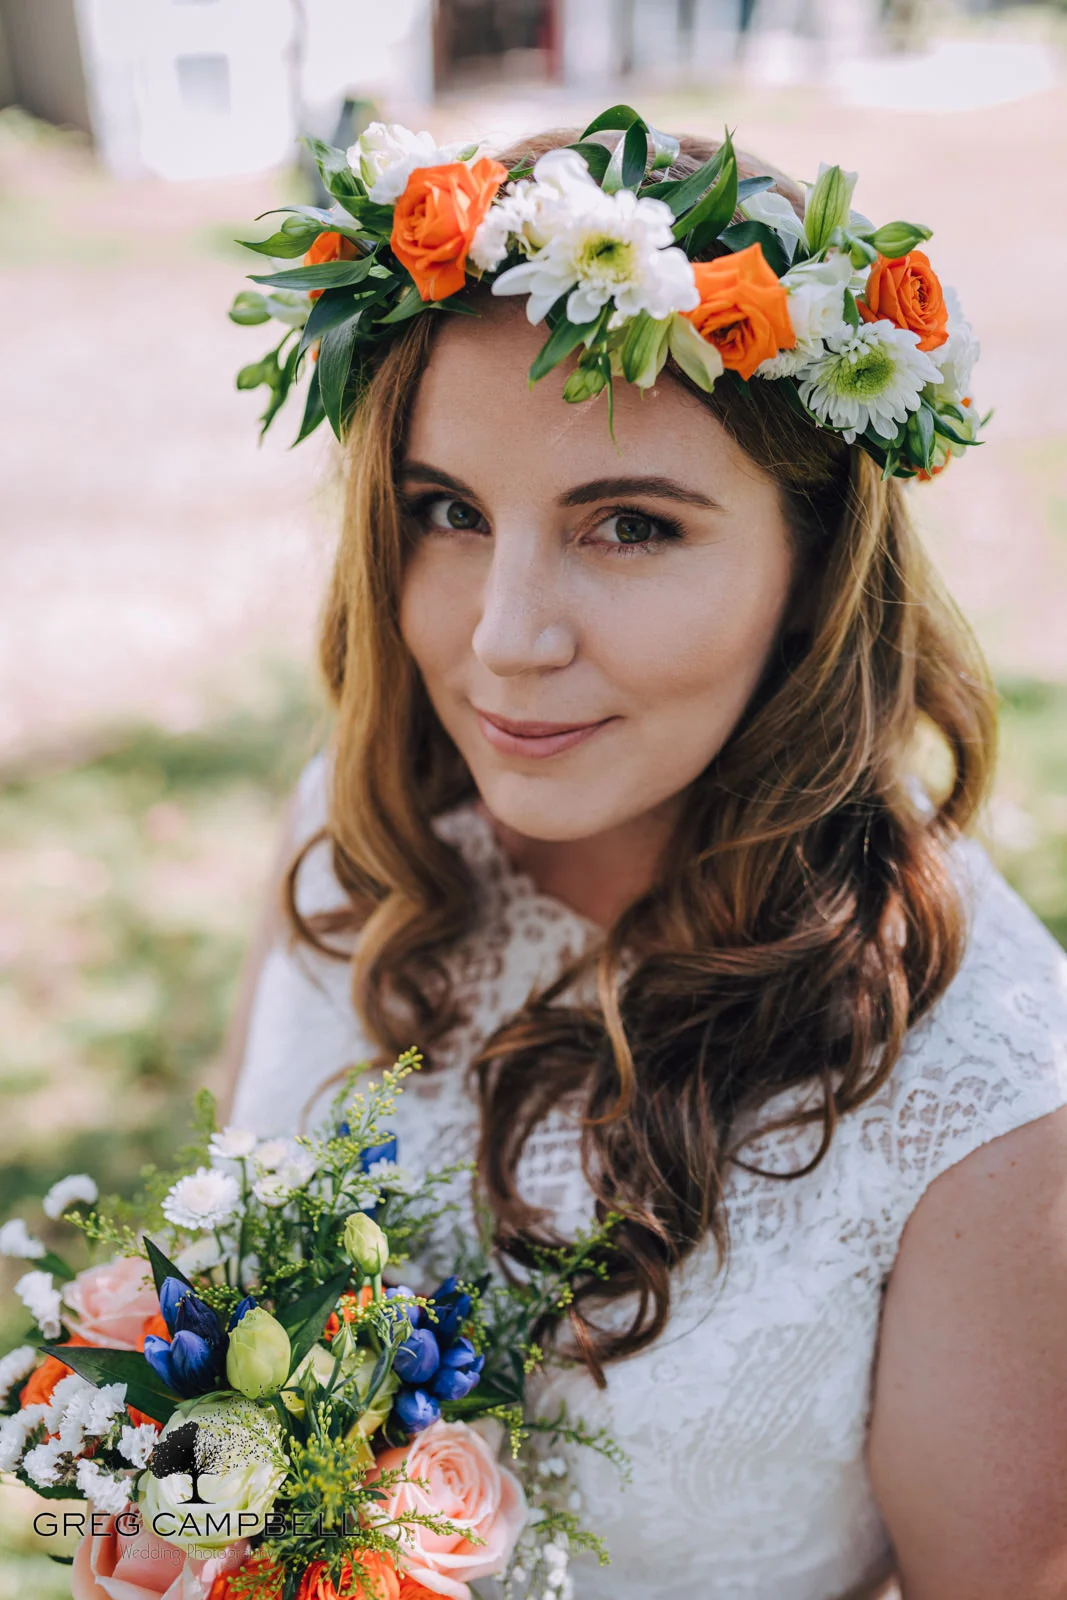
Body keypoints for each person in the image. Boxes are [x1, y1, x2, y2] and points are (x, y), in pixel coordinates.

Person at [222, 118, 1067, 1598]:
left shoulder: (985, 1093)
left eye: (626, 526)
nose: (503, 638)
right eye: (448, 514)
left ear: (810, 562)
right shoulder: (358, 841)